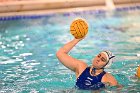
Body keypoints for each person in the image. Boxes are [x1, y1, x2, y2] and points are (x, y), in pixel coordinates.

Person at [56, 38, 121, 90]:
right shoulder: (81, 67)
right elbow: (60, 54)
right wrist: (77, 39)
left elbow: (120, 89)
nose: (98, 59)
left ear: (106, 65)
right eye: (98, 56)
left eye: (102, 59)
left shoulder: (108, 78)